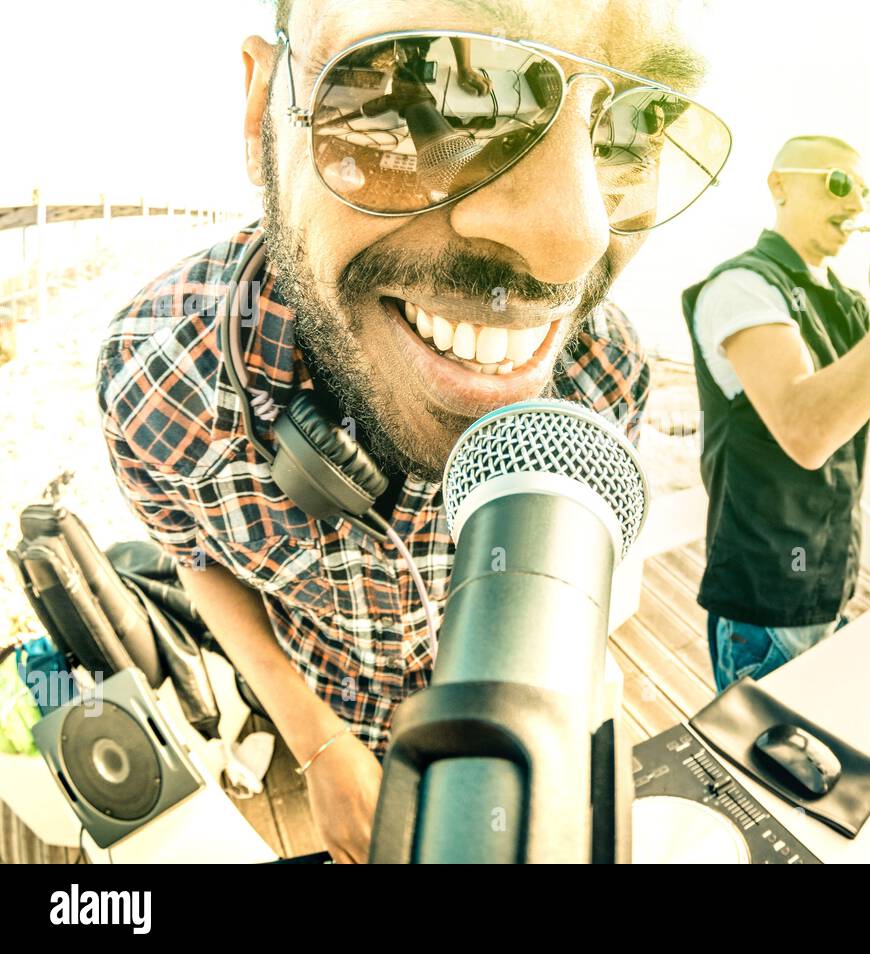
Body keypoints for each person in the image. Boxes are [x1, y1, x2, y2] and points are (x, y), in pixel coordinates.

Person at [96, 0, 729, 862]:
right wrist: (318, 744)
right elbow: (197, 558)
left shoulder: (601, 366)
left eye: (635, 122)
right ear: (260, 116)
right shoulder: (159, 380)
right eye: (427, 85)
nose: (574, 239)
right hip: (331, 708)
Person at [682, 135, 870, 690]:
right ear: (779, 186)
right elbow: (807, 432)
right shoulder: (743, 286)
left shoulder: (848, 303)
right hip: (766, 605)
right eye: (839, 184)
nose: (855, 205)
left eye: (864, 194)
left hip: (824, 586)